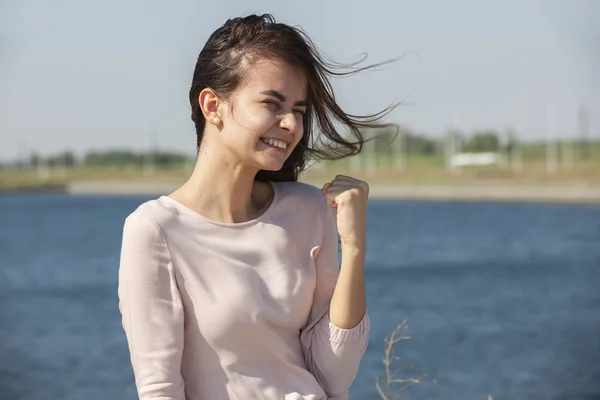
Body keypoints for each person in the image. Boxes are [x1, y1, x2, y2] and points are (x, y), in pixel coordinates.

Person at [118, 14, 397, 400]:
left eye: (299, 110)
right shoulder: (155, 230)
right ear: (213, 105)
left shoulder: (306, 209)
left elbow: (335, 377)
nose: (290, 124)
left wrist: (354, 248)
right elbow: (159, 390)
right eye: (272, 103)